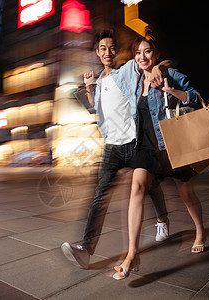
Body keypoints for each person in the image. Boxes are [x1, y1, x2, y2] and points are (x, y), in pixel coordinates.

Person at [61, 30, 172, 269]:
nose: (107, 52)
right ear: (97, 52)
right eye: (103, 48)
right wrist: (90, 88)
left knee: (149, 185)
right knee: (100, 197)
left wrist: (157, 68)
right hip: (112, 146)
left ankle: (162, 219)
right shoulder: (100, 81)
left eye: (112, 48)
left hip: (134, 141)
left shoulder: (129, 69)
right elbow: (96, 110)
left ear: (118, 51)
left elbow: (159, 61)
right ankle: (86, 250)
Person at [112, 31, 207, 280]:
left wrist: (170, 88)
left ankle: (200, 230)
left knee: (187, 194)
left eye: (148, 51)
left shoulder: (170, 75)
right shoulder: (133, 81)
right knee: (136, 189)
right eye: (138, 53)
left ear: (155, 54)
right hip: (145, 148)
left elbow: (197, 98)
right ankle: (132, 254)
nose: (142, 57)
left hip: (172, 145)